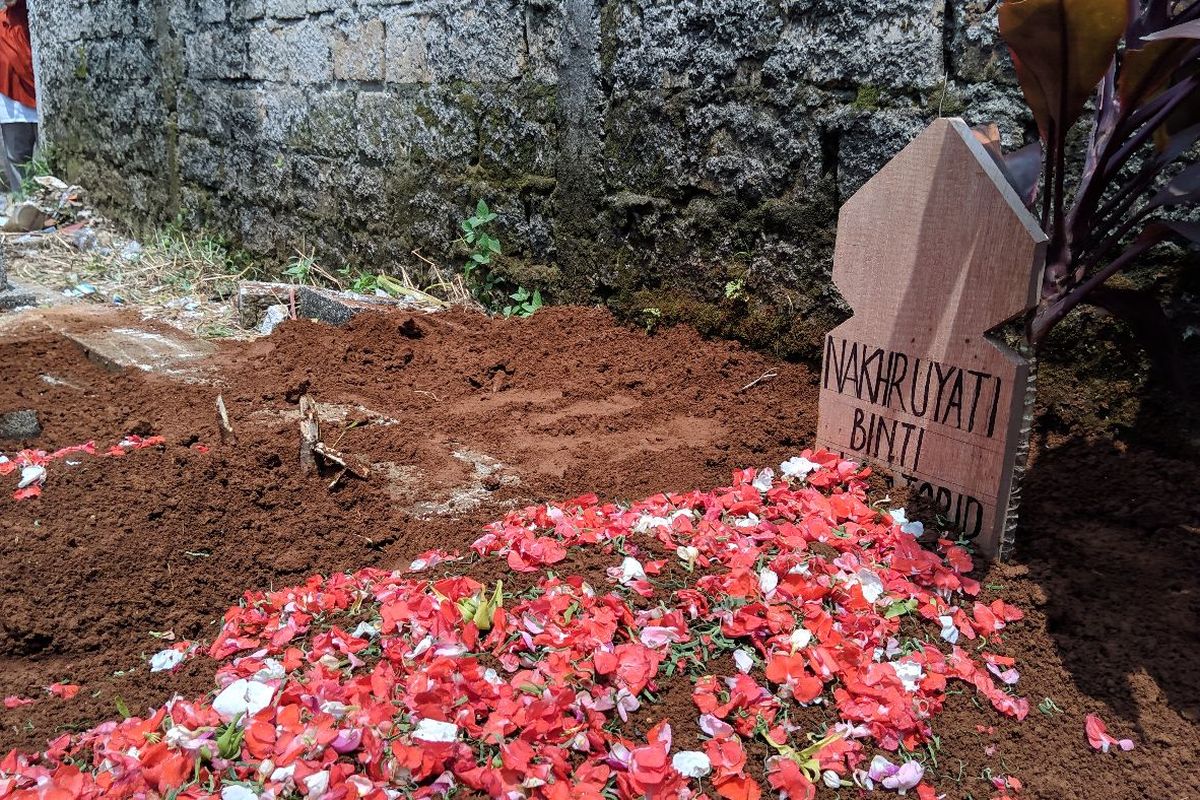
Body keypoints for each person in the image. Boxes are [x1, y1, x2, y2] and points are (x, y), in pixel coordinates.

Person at [0, 0, 36, 195]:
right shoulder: (1, 23)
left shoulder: (37, 19)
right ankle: (24, 213)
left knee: (48, 166)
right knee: (17, 162)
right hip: (11, 107)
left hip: (41, 105)